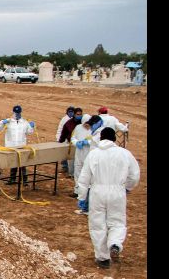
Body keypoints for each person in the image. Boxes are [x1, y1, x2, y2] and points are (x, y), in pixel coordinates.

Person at [75, 127, 140, 269]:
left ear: (101, 138)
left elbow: (84, 178)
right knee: (117, 221)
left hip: (97, 191)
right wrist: (127, 187)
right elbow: (134, 175)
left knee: (98, 224)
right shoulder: (124, 154)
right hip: (117, 191)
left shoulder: (93, 154)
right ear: (114, 139)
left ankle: (102, 258)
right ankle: (115, 243)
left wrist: (82, 196)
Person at [0, 105, 34, 185]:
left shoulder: (24, 122)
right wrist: (2, 122)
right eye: (16, 113)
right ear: (13, 112)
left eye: (18, 113)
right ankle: (12, 179)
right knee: (13, 163)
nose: (17, 114)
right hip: (11, 146)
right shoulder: (8, 121)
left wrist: (31, 127)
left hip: (21, 146)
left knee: (22, 164)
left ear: (20, 113)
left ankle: (24, 181)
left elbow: (29, 132)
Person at [59, 107, 83, 177]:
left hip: (81, 145)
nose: (79, 116)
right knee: (71, 161)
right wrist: (61, 141)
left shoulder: (83, 122)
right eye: (78, 114)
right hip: (71, 144)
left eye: (80, 114)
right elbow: (64, 133)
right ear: (74, 114)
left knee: (80, 162)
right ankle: (71, 174)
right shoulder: (68, 123)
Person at [55, 106, 75, 175]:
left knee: (72, 155)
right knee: (64, 154)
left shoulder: (76, 120)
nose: (71, 113)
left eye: (72, 112)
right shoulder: (64, 119)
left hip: (73, 139)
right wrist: (58, 138)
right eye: (69, 112)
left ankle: (71, 170)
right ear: (67, 112)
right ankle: (65, 167)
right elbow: (60, 129)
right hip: (65, 139)